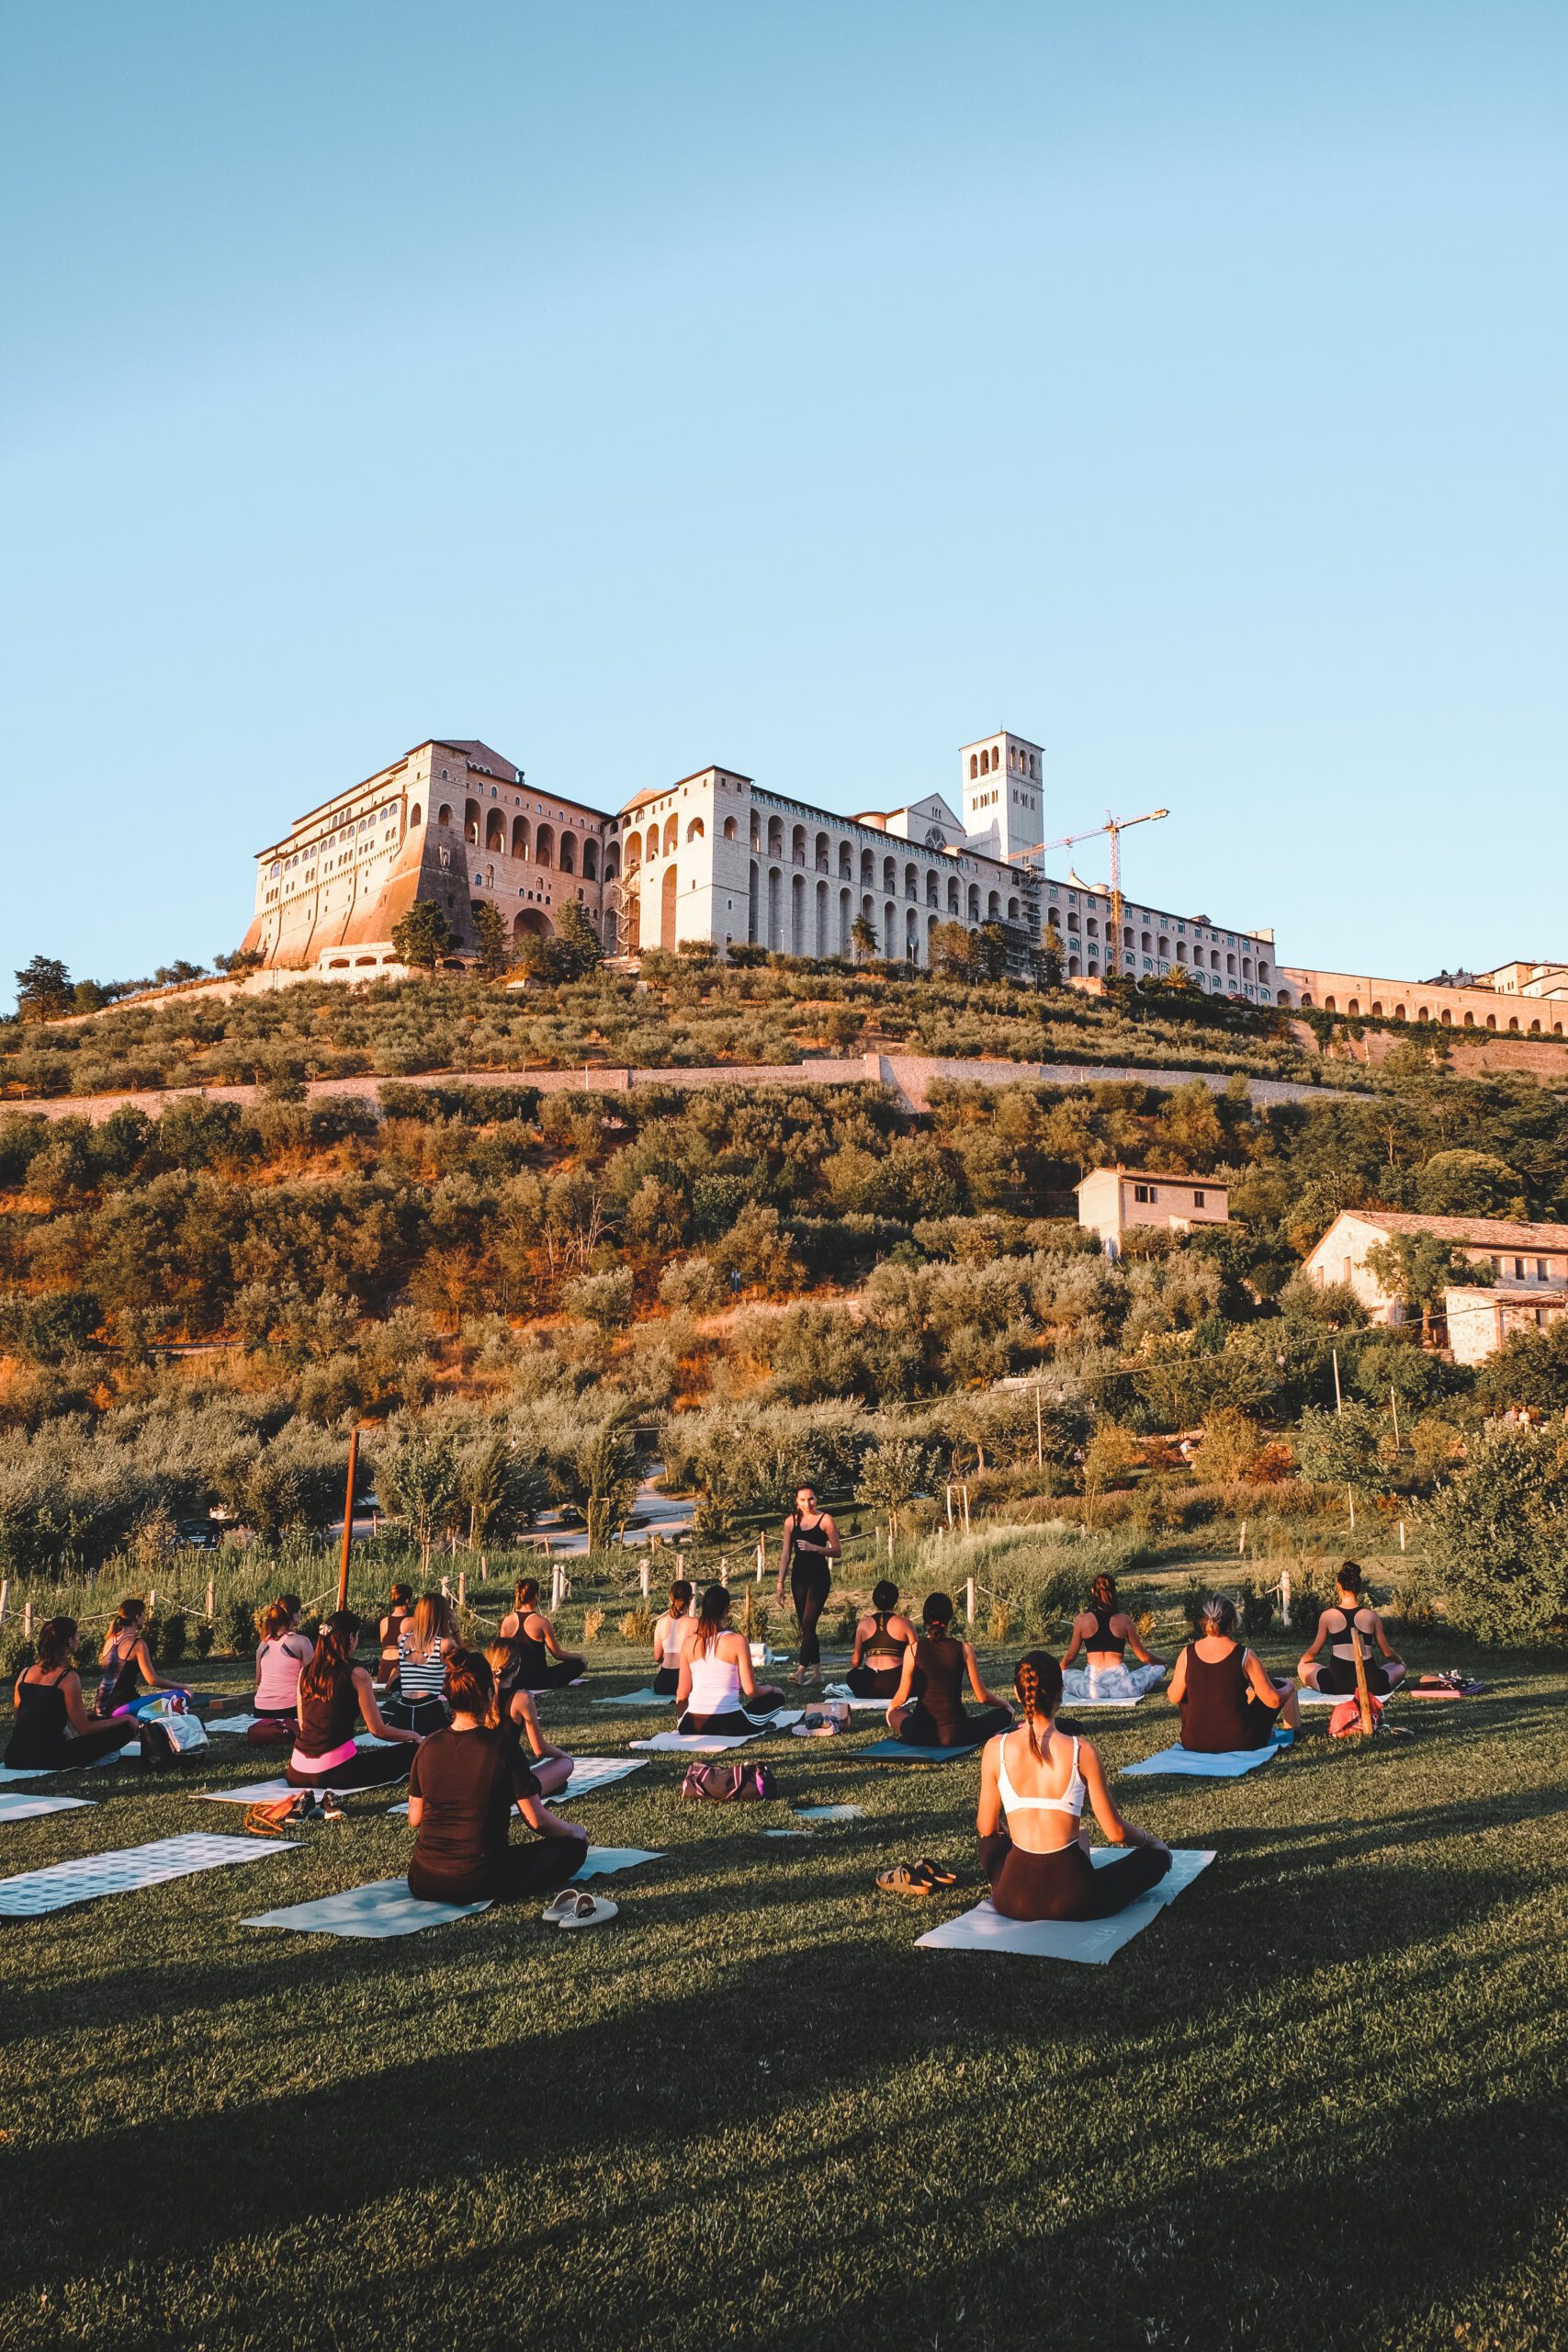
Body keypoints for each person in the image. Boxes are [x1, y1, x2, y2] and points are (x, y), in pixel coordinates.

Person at [977, 1653, 1172, 1920]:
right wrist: (1152, 1842)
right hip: (1076, 1898)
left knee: (989, 1844)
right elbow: (1115, 1832)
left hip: (1013, 1899)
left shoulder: (994, 1749)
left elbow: (987, 1829)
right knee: (1155, 1860)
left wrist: (1014, 1835)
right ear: (1062, 1692)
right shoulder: (1082, 1751)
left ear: (1017, 1692)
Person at [407, 1648, 590, 1907]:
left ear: (449, 1698)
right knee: (572, 1850)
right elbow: (536, 1820)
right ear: (490, 1694)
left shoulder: (427, 1747)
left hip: (422, 1879)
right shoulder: (501, 1747)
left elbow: (415, 1818)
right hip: (479, 1878)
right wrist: (573, 1831)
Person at [285, 1610, 422, 1792]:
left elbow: (303, 1725)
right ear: (350, 1638)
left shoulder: (306, 1672)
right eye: (357, 1636)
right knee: (409, 1753)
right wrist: (413, 1736)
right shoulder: (357, 1674)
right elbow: (378, 1730)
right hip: (335, 1773)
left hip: (297, 1772)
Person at [1168, 1596, 1301, 1751]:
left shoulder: (1187, 1654)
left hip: (1194, 1743)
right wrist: (1289, 1685)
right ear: (1232, 1623)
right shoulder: (1244, 1655)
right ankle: (1287, 1728)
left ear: (1203, 1622)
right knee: (1278, 1685)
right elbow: (1273, 1701)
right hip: (1240, 1741)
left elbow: (1174, 1696)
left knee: (1185, 1689)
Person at [6, 1619, 141, 1772]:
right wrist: (126, 1719)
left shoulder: (24, 1673)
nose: (78, 1639)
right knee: (126, 1728)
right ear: (69, 1641)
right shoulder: (68, 1678)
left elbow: (23, 1717)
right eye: (77, 1636)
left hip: (15, 1756)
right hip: (47, 1758)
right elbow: (84, 1729)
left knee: (97, 1719)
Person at [887, 1593, 1014, 1748]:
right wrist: (1006, 1705)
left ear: (925, 1618)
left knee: (895, 1714)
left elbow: (902, 1696)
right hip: (955, 1733)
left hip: (920, 1733)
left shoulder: (913, 1650)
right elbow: (982, 1697)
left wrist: (891, 1710)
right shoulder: (963, 1649)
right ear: (949, 1618)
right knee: (1005, 1715)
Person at [675, 1584, 785, 1735]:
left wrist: (681, 1722)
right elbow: (751, 1690)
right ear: (726, 1610)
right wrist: (772, 1689)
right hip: (729, 1724)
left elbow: (682, 1694)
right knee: (776, 1698)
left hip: (692, 1724)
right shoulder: (737, 1641)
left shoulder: (688, 1643)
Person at [1298, 1563, 1406, 1696]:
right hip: (1371, 1684)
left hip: (1336, 1684)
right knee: (1399, 1667)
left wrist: (1303, 1660)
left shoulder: (1328, 1616)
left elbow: (1314, 1651)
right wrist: (1400, 1660)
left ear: (1338, 1586)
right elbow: (1387, 1653)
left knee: (1303, 1667)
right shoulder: (1372, 1616)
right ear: (1359, 1588)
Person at [485, 1640, 574, 1796]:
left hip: (479, 1780)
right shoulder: (522, 1699)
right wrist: (562, 1754)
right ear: (517, 1667)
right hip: (510, 1782)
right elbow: (539, 1749)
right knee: (566, 1764)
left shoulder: (478, 1695)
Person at [1059, 1574, 1166, 1704]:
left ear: (1093, 1591)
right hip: (1123, 1689)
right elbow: (1144, 1657)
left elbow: (1070, 1657)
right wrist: (1163, 1661)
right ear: (1114, 1592)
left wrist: (1058, 1671)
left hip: (1092, 1691)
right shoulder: (1124, 1620)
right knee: (1159, 1668)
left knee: (1065, 1673)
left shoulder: (1082, 1620)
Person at [777, 1485, 840, 1682]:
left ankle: (801, 1670)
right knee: (807, 1627)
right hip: (799, 1577)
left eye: (811, 1499)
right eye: (803, 1500)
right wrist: (780, 1584)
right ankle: (818, 1673)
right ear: (796, 1501)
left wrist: (815, 1548)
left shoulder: (826, 1520)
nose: (807, 1504)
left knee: (808, 1622)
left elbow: (837, 1551)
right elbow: (786, 1555)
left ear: (817, 1498)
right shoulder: (790, 1522)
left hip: (819, 1576)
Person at [383, 1592, 455, 1734]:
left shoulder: (402, 1639)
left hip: (404, 1708)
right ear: (442, 1616)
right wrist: (455, 1629)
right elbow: (468, 1663)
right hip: (430, 1709)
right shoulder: (445, 1644)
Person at [499, 1577, 585, 1690]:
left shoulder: (507, 1621)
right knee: (578, 1665)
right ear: (536, 1595)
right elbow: (557, 1654)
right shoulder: (542, 1622)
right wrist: (580, 1657)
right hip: (540, 1680)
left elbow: (501, 1654)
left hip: (515, 1680)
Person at [845, 1580, 916, 1699]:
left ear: (874, 1600)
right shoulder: (905, 1623)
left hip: (870, 1685)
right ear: (895, 1600)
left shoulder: (863, 1624)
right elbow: (917, 1657)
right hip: (897, 1684)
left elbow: (856, 1662)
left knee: (852, 1676)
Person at [252, 1596, 313, 1722]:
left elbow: (258, 1680)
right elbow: (311, 1680)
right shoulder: (302, 1642)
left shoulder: (263, 1644)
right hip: (290, 1709)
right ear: (295, 1615)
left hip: (260, 1709)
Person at [651, 1579, 694, 1697]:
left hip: (662, 1683)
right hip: (683, 1680)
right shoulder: (695, 1623)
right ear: (690, 1599)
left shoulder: (661, 1622)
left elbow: (657, 1656)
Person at [377, 1583, 415, 1688]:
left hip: (384, 1666)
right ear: (407, 1601)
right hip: (399, 1667)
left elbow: (383, 1645)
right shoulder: (411, 1622)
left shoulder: (383, 1622)